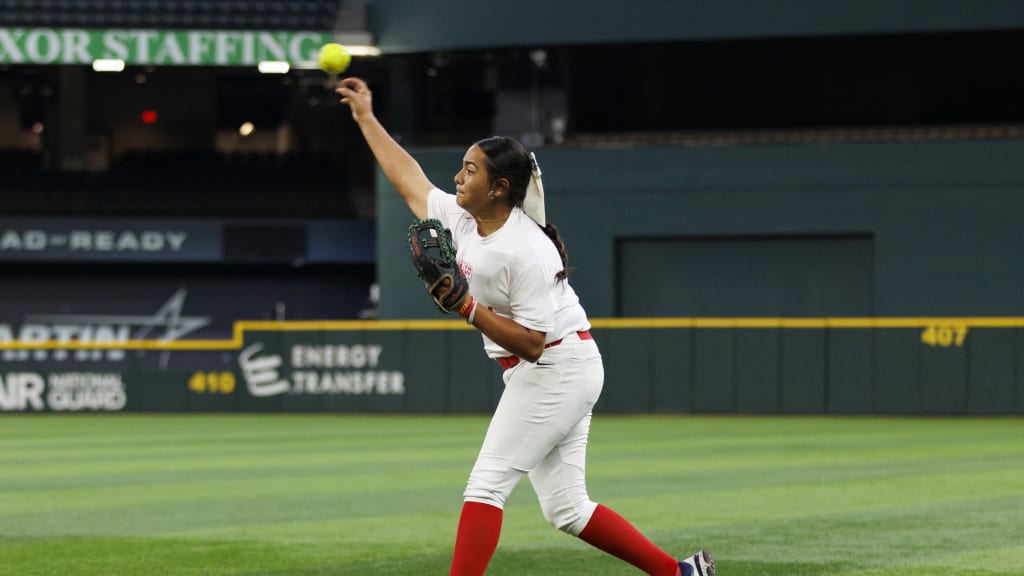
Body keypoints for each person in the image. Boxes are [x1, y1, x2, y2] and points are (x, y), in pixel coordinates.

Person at [336, 76, 716, 576]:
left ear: (500, 187)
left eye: (469, 170)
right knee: (567, 509)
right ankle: (682, 574)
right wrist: (365, 116)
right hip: (556, 367)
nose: (457, 177)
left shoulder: (527, 250)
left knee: (485, 485)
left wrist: (469, 308)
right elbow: (408, 179)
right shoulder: (465, 218)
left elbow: (535, 344)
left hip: (556, 364)